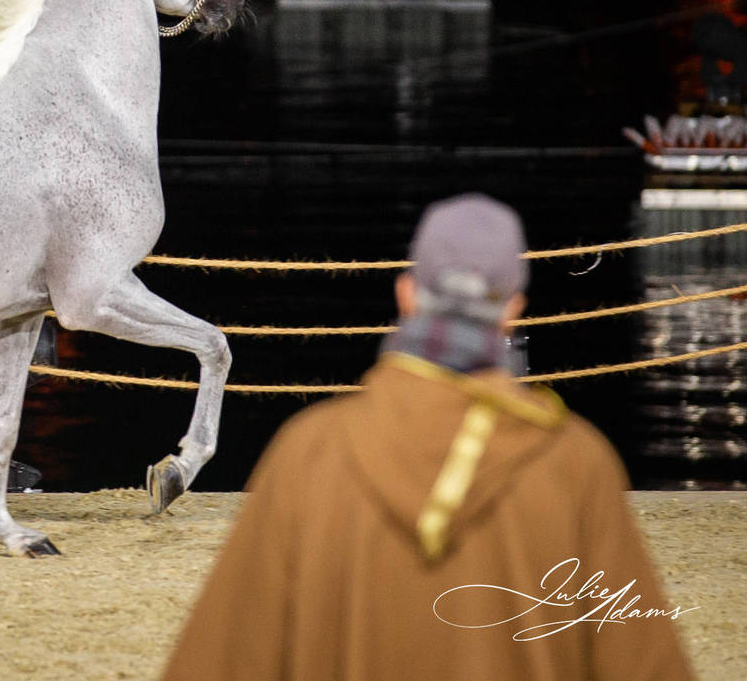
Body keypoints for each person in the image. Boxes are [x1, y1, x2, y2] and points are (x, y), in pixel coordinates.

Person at [161, 194, 695, 681]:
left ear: (408, 294)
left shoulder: (309, 453)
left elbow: (220, 661)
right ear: (512, 310)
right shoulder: (576, 465)